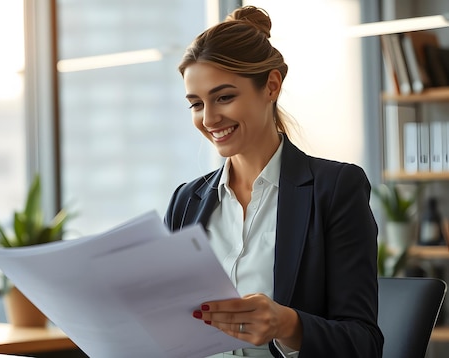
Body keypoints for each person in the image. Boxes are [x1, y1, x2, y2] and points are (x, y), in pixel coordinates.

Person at [163, 5, 383, 358]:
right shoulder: (186, 201)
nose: (209, 118)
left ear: (271, 86)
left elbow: (363, 344)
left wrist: (286, 325)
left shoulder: (335, 189)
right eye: (196, 104)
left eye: (224, 97)